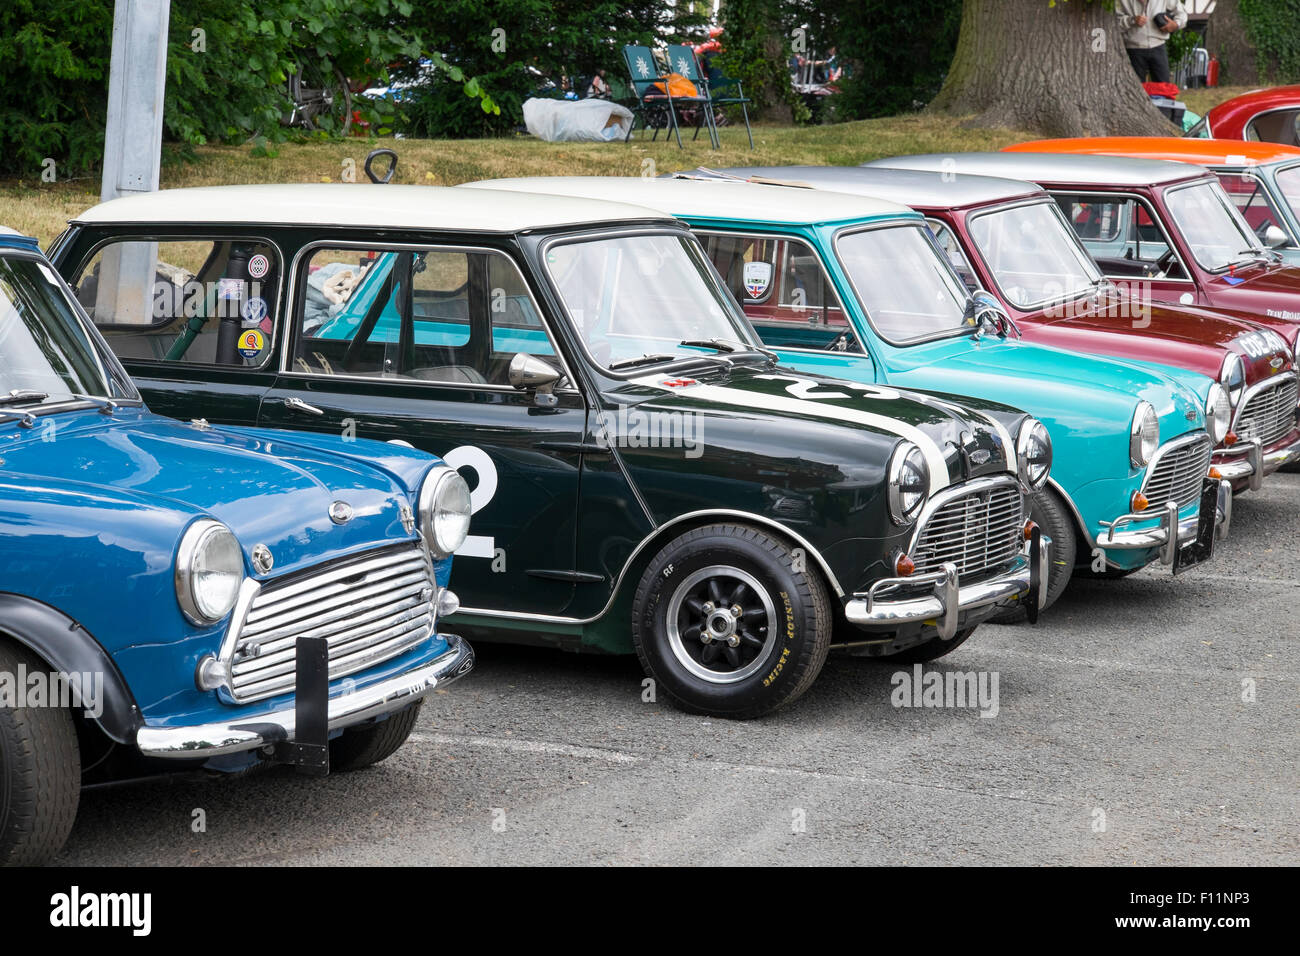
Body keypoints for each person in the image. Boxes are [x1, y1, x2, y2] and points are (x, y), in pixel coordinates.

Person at [1117, 1, 1188, 84]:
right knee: (1136, 88)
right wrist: (1132, 20)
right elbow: (1112, 22)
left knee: (1164, 88)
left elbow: (1181, 12)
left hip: (1158, 45)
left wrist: (1176, 24)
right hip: (1133, 48)